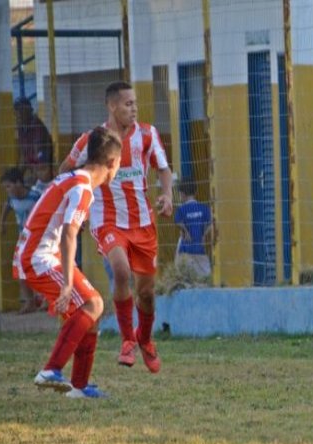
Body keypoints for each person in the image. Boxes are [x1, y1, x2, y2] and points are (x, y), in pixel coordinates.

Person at [59, 81, 173, 373]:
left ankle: (144, 340)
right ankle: (126, 341)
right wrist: (76, 206)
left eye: (135, 103)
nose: (133, 109)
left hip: (143, 223)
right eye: (127, 104)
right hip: (106, 218)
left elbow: (163, 168)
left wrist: (167, 194)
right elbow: (65, 170)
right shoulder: (92, 140)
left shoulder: (147, 135)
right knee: (121, 271)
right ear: (111, 106)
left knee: (146, 293)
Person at [14, 126, 122, 398]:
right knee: (93, 303)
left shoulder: (73, 179)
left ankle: (80, 387)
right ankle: (50, 370)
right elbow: (69, 234)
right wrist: (67, 285)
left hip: (39, 253)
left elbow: (62, 223)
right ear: (112, 163)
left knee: (90, 312)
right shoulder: (83, 188)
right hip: (40, 258)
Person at [1, 167, 43, 313]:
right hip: (23, 240)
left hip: (39, 239)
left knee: (42, 268)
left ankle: (47, 300)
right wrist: (2, 222)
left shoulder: (35, 196)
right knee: (20, 270)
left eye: (9, 186)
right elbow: (6, 206)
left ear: (19, 183)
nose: (7, 190)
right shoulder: (12, 199)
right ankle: (29, 302)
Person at [174, 180, 212, 279]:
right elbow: (211, 223)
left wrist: (185, 231)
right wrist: (204, 235)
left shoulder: (181, 209)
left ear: (182, 194)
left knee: (182, 275)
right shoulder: (204, 208)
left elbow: (178, 222)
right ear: (195, 192)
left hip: (185, 249)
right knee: (205, 276)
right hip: (201, 248)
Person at [14, 97, 54, 188]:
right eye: (16, 111)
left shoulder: (37, 125)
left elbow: (39, 153)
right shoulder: (21, 127)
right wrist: (16, 176)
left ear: (29, 111)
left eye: (20, 110)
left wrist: (33, 175)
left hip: (42, 167)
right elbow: (23, 154)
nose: (18, 114)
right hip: (32, 165)